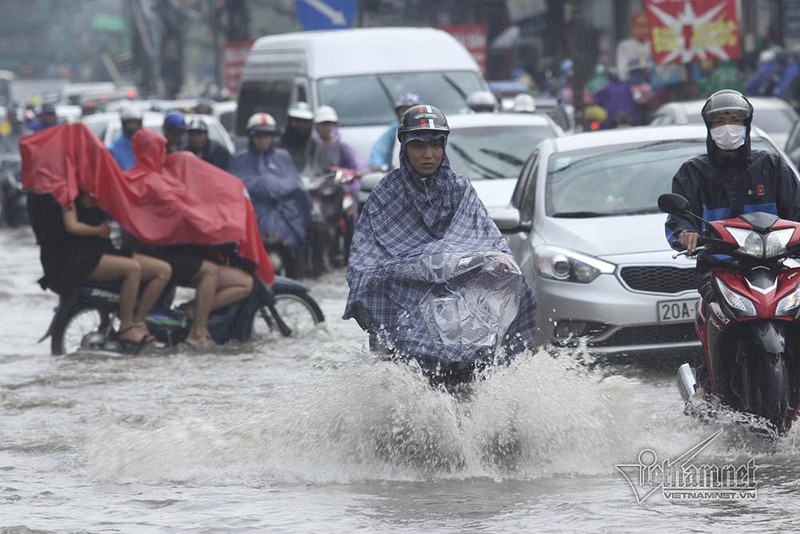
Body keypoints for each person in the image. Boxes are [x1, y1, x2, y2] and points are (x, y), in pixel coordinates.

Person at [343, 105, 537, 372]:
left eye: (436, 144)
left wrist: (499, 259)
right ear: (405, 147)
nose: (428, 154)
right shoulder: (386, 193)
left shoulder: (459, 188)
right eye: (419, 146)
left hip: (458, 303)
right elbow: (364, 259)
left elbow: (487, 236)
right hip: (405, 300)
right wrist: (410, 269)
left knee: (520, 288)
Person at [665, 90, 800, 391]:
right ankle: (708, 384)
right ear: (709, 128)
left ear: (747, 124)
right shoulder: (693, 173)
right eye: (720, 121)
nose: (728, 127)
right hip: (720, 267)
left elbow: (797, 212)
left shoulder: (772, 167)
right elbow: (678, 219)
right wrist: (685, 234)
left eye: (735, 120)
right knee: (716, 312)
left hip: (776, 266)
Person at [128, 128, 253, 348]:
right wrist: (211, 222)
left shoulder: (140, 176)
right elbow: (180, 211)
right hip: (160, 253)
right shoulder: (153, 181)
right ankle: (198, 332)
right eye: (161, 149)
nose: (165, 153)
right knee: (209, 272)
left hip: (156, 250)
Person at [27, 189, 172, 349]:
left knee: (163, 270)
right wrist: (99, 230)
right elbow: (72, 226)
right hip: (79, 257)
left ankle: (141, 318)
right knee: (133, 269)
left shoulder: (97, 188)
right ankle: (129, 326)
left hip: (100, 249)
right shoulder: (66, 192)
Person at [229, 112, 313, 280]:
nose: (263, 140)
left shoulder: (283, 157)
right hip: (252, 219)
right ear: (251, 136)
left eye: (267, 135)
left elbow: (298, 189)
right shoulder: (239, 160)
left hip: (284, 219)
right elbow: (232, 192)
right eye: (258, 135)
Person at [314, 104, 368, 268]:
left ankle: (349, 253)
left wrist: (346, 172)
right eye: (323, 124)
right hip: (317, 193)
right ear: (316, 126)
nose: (326, 128)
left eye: (329, 124)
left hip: (339, 193)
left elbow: (361, 168)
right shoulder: (312, 147)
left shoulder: (342, 147)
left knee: (350, 213)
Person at [275, 101, 330, 178]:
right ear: (289, 121)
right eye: (297, 121)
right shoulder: (277, 145)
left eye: (305, 122)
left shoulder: (316, 146)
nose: (301, 125)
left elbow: (325, 172)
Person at [368, 92, 420, 171]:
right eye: (403, 110)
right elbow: (381, 148)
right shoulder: (395, 128)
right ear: (398, 112)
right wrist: (377, 164)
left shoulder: (428, 127)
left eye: (411, 110)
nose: (407, 113)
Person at [108, 106, 144, 170]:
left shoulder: (147, 143)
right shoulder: (114, 148)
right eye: (130, 123)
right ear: (124, 124)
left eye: (135, 123)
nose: (133, 127)